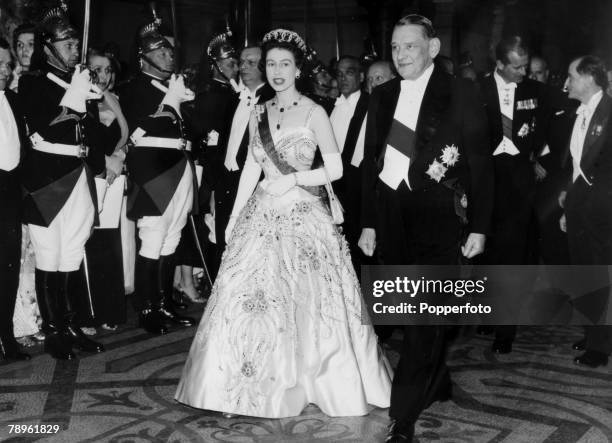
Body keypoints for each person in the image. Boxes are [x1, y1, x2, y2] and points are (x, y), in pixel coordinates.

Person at [176, 28, 392, 418]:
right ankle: (239, 388)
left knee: (304, 301)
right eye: (269, 64)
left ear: (298, 69)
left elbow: (337, 168)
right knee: (248, 301)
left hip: (304, 216)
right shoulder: (259, 111)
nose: (276, 71)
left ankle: (311, 381)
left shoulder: (314, 111)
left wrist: (293, 178)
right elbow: (249, 171)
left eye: (284, 64)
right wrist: (234, 218)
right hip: (261, 214)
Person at [358, 15, 493, 441]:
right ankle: (435, 381)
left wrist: (479, 226)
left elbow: (480, 165)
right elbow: (370, 164)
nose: (400, 56)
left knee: (423, 318)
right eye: (395, 47)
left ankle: (404, 415)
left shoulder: (462, 92)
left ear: (432, 49)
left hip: (440, 220)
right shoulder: (381, 96)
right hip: (393, 218)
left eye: (410, 47)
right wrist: (368, 221)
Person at [19, 7, 110, 359]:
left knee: (72, 254)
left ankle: (71, 324)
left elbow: (92, 134)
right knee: (49, 254)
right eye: (67, 42)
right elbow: (45, 126)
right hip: (46, 179)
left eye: (75, 41)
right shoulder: (34, 82)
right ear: (47, 47)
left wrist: (99, 171)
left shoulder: (77, 80)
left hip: (78, 173)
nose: (75, 47)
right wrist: (75, 93)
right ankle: (54, 329)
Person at [119, 21, 196, 334]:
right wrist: (171, 102)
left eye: (168, 49)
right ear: (143, 57)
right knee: (152, 238)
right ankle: (147, 307)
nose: (167, 54)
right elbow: (138, 130)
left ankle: (164, 302)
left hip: (179, 167)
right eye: (159, 50)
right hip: (152, 170)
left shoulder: (173, 87)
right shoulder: (135, 88)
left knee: (172, 238)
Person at [476, 36, 549, 354]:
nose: (524, 72)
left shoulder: (536, 92)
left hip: (519, 182)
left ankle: (506, 328)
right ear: (500, 64)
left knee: (513, 256)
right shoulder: (475, 90)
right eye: (517, 67)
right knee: (486, 252)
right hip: (485, 181)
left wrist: (541, 160)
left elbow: (550, 131)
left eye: (525, 66)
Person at [72, 46, 130, 333]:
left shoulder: (115, 99)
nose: (103, 76)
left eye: (108, 70)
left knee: (108, 243)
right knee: (87, 241)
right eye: (96, 70)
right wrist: (103, 159)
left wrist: (120, 157)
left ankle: (109, 309)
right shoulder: (79, 99)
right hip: (89, 175)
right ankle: (86, 315)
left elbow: (126, 137)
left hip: (114, 176)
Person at [560, 55, 612, 368]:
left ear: (589, 79)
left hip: (601, 212)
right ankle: (593, 335)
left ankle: (600, 346)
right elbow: (578, 164)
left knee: (598, 276)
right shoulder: (579, 112)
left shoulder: (610, 112)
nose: (566, 82)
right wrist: (569, 203)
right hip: (581, 207)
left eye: (571, 76)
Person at [211, 44, 274, 264]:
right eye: (241, 62)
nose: (242, 67)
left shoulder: (271, 100)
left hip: (253, 181)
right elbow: (223, 144)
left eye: (251, 62)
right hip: (226, 179)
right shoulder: (235, 98)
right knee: (223, 240)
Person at [0, 38, 30, 361]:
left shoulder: (13, 100)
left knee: (8, 268)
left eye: (8, 65)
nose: (5, 71)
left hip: (9, 190)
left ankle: (6, 337)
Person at [330, 55, 370, 273]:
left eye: (349, 72)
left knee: (357, 249)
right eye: (339, 73)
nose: (343, 78)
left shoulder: (369, 105)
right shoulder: (331, 106)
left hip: (356, 188)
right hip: (332, 186)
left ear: (361, 76)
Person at [9, 23, 35, 91]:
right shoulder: (8, 79)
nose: (24, 49)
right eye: (20, 45)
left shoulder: (51, 77)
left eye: (31, 44)